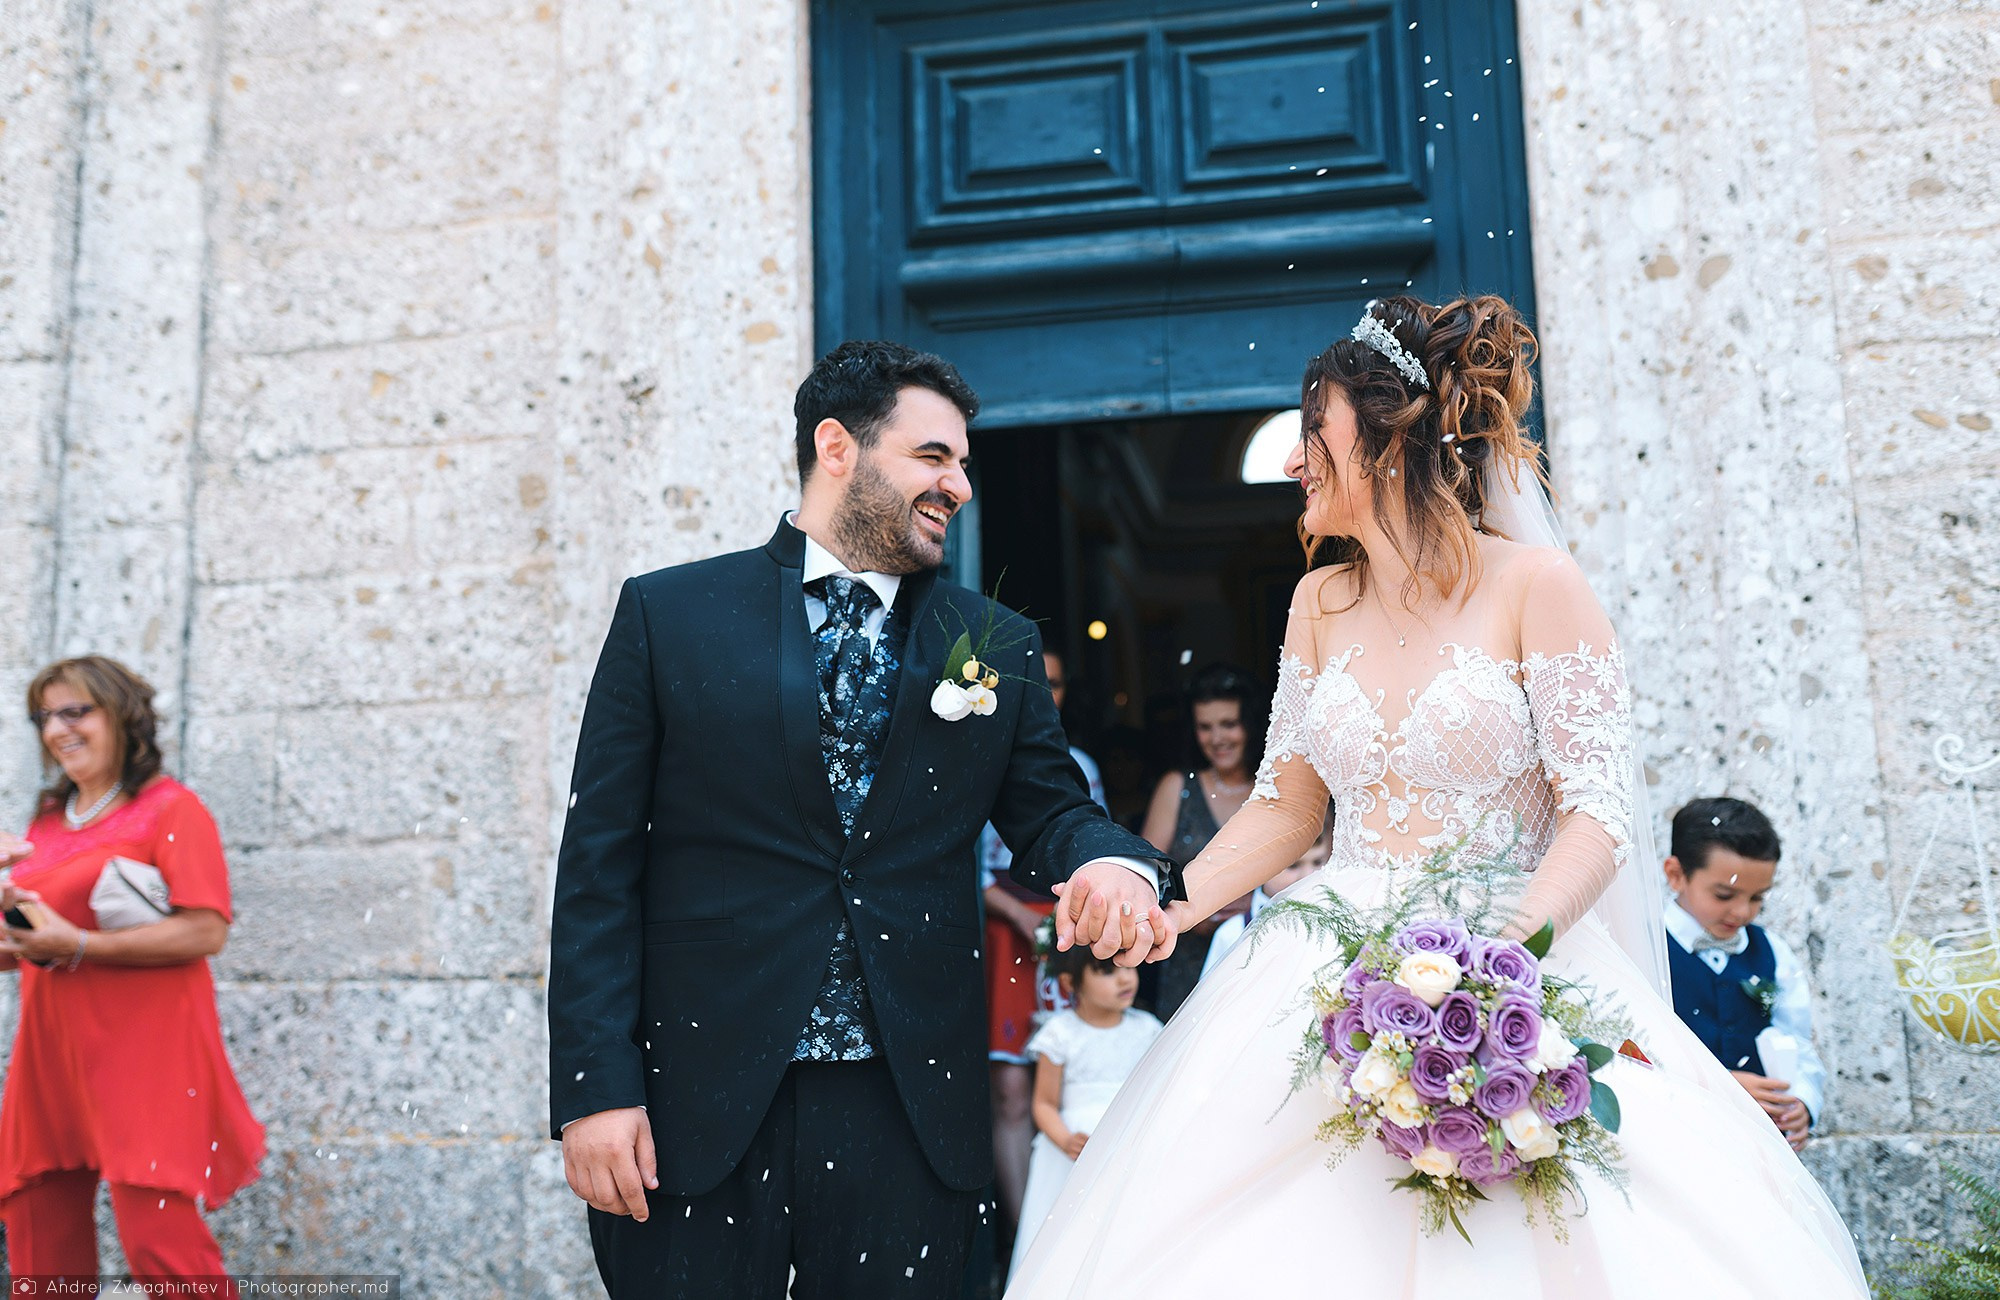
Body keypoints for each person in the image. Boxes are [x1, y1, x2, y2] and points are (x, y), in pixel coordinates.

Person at [1014, 296, 1868, 1296]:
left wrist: (1501, 960)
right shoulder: (1314, 603)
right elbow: (1287, 808)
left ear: (1384, 442)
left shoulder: (1536, 584)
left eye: (1312, 432)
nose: (1293, 462)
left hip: (1515, 964)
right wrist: (1175, 904)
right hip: (1327, 961)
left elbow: (1596, 814)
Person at [547, 340, 1177, 1300]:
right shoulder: (669, 615)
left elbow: (1053, 813)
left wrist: (1117, 866)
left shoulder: (994, 643)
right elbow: (597, 872)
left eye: (963, 462)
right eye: (933, 456)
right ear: (835, 447)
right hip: (700, 1098)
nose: (959, 484)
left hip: (908, 1099)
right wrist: (596, 1091)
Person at [0, 656, 265, 1290]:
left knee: (163, 1252)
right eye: (45, 716)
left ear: (121, 716)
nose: (57, 729)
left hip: (145, 1056)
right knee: (40, 1243)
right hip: (52, 1054)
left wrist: (80, 944)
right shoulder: (43, 824)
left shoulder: (170, 810)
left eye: (76, 711)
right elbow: (25, 947)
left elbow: (208, 929)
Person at [978, 648, 1102, 1249]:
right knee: (1008, 1088)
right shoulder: (973, 755)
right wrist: (1015, 917)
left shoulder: (1080, 765)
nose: (1044, 693)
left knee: (1065, 1072)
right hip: (1001, 932)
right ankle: (1025, 1238)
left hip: (1062, 928)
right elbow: (964, 867)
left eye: (1054, 683)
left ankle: (1064, 1237)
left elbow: (1093, 848)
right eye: (1034, 682)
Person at [1663, 796, 1826, 1153]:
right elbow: (1632, 1054)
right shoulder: (1646, 950)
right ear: (1676, 874)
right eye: (1725, 895)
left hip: (1759, 1145)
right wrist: (1716, 1086)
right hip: (1679, 1138)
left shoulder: (1772, 951)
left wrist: (1802, 1101)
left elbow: (1796, 1041)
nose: (1742, 911)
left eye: (1757, 898)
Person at [1007, 945, 1161, 1279]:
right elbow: (1044, 1103)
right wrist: (1064, 1140)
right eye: (1106, 971)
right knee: (1068, 1231)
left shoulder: (1147, 1028)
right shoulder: (1060, 1034)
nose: (1124, 978)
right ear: (1070, 983)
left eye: (1127, 966)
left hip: (1128, 1143)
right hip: (1072, 1152)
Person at [1138, 664, 1266, 1017]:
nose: (1217, 738)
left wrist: (1254, 903)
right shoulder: (1177, 787)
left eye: (1229, 724)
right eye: (1205, 727)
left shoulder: (1277, 792)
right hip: (1189, 964)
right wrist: (1193, 909)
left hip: (1266, 957)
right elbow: (1146, 876)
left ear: (1251, 724)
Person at [1197, 818, 1333, 981]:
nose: (1307, 876)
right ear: (1262, 865)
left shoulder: (1335, 924)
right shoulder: (1232, 934)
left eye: (1317, 862)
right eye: (1293, 865)